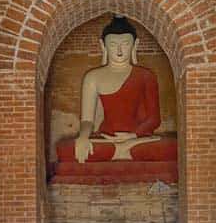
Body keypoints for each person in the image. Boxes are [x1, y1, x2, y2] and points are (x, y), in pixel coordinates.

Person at [55, 16, 176, 164]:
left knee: (171, 147)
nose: (119, 50)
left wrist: (132, 136)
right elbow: (87, 120)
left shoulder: (146, 76)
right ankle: (124, 151)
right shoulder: (93, 77)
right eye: (113, 44)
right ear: (103, 45)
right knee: (68, 149)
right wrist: (84, 137)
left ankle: (122, 150)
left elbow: (154, 119)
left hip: (139, 139)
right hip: (106, 139)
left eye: (125, 44)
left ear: (135, 45)